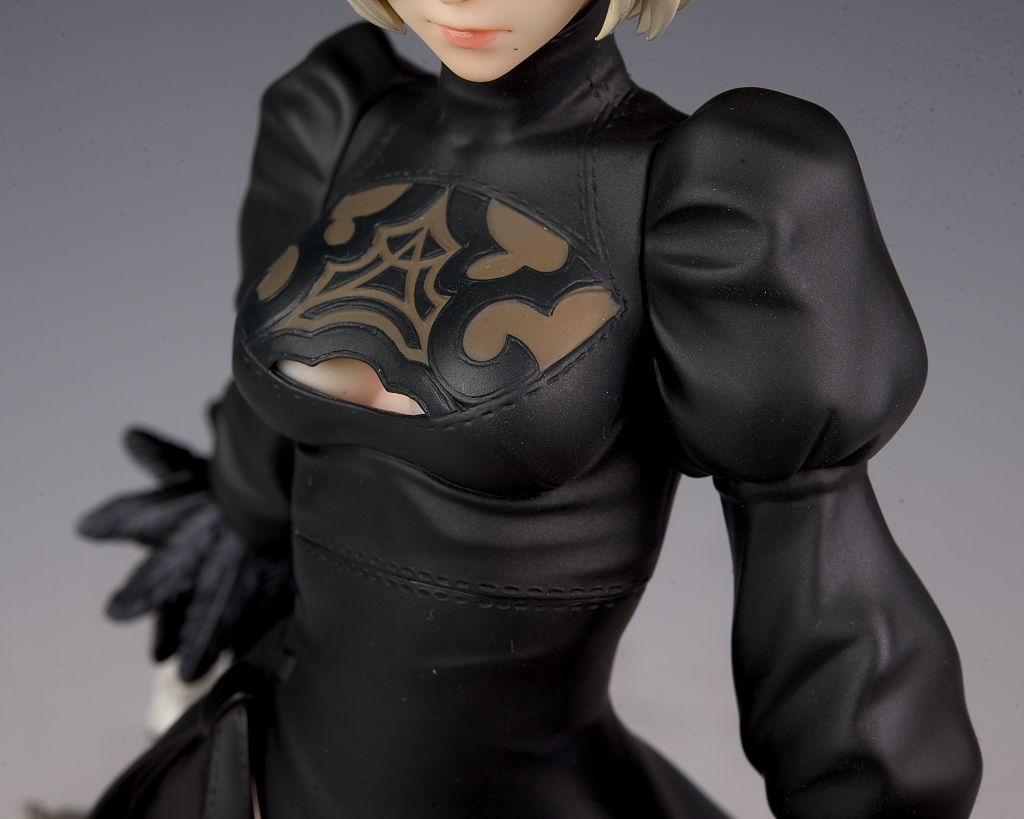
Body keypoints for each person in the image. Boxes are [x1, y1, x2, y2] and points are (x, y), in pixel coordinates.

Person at [80, 0, 982, 816]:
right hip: (258, 766)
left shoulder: (706, 198)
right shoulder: (340, 121)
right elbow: (258, 472)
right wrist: (226, 530)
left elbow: (824, 582)